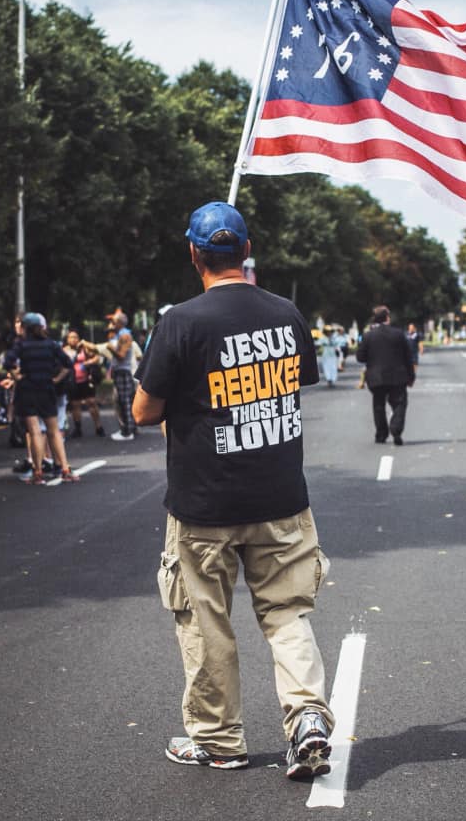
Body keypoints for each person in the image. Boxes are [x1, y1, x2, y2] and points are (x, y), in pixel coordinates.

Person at [133, 200, 334, 779]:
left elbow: (145, 411)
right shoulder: (288, 314)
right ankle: (307, 718)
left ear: (193, 254)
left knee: (204, 620)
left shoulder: (180, 322)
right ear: (246, 252)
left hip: (204, 506)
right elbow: (291, 388)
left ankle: (220, 741)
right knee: (287, 613)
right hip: (281, 500)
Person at [5, 313, 79, 484]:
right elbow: (68, 363)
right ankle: (65, 469)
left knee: (35, 431)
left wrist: (17, 376)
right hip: (47, 389)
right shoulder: (50, 344)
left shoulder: (21, 345)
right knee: (54, 431)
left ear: (25, 328)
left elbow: (8, 362)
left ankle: (37, 473)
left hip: (28, 390)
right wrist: (57, 379)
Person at [355, 305, 415, 445]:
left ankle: (381, 434)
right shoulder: (398, 334)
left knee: (378, 405)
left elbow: (360, 357)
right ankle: (396, 428)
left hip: (376, 377)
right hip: (397, 377)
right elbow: (408, 357)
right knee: (400, 403)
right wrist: (411, 376)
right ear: (387, 317)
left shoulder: (368, 335)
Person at [62, 329, 105, 438]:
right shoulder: (64, 350)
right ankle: (78, 428)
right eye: (71, 337)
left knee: (91, 402)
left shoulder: (84, 349)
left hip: (86, 380)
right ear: (67, 340)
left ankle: (98, 427)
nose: (73, 339)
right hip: (72, 382)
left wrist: (87, 363)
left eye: (75, 337)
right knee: (75, 404)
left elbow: (97, 357)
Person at [105, 309, 139, 442]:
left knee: (125, 401)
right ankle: (129, 428)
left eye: (113, 321)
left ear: (119, 322)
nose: (112, 324)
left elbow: (121, 356)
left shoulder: (125, 336)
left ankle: (128, 432)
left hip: (124, 372)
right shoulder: (120, 334)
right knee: (123, 400)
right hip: (120, 372)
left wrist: (110, 348)